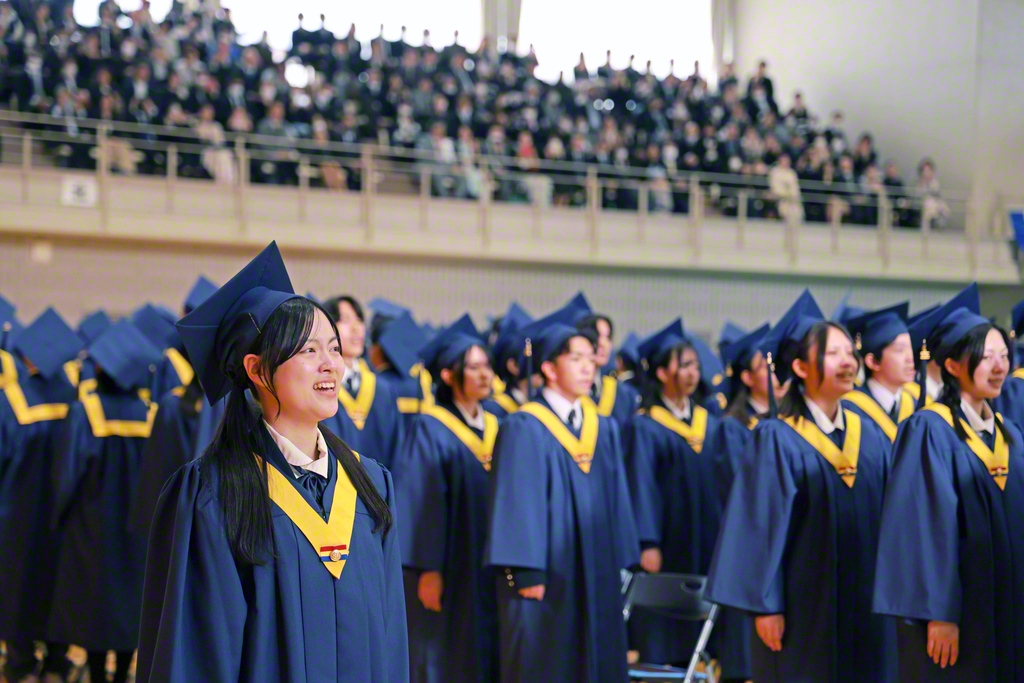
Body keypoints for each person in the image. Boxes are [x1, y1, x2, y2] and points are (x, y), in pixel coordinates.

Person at [135, 242, 408, 682]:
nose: (330, 366)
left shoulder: (370, 482)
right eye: (308, 351)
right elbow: (199, 655)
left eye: (334, 348)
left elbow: (392, 639)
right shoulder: (213, 493)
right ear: (259, 371)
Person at [706, 289, 898, 682]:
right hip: (801, 606)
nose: (847, 361)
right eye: (832, 353)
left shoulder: (872, 436)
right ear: (800, 367)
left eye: (849, 351)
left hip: (868, 605)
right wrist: (766, 605)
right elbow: (758, 529)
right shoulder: (777, 438)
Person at [873, 283, 1024, 681]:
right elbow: (921, 530)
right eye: (985, 356)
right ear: (953, 366)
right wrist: (937, 613)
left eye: (1003, 356)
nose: (999, 366)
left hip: (1010, 605)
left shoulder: (1011, 434)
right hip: (961, 614)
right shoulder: (928, 429)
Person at [485, 309, 639, 683]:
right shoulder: (525, 424)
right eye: (576, 359)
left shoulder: (602, 426)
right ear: (550, 369)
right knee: (548, 658)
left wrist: (621, 556)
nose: (588, 367)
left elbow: (617, 497)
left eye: (591, 358)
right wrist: (526, 570)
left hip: (598, 567)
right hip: (547, 574)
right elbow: (516, 502)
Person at [623, 319, 751, 680]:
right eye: (684, 365)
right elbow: (641, 485)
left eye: (695, 364)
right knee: (669, 631)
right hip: (669, 540)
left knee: (713, 622)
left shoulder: (711, 422)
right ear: (662, 372)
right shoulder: (645, 426)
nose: (693, 373)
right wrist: (647, 541)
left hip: (711, 537)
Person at [48, 320, 163, 683]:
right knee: (130, 605)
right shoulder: (151, 413)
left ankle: (97, 675)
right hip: (140, 527)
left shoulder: (86, 412)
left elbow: (67, 474)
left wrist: (58, 515)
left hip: (92, 526)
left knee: (95, 605)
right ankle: (121, 675)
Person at [394, 314, 500, 683]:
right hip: (448, 561)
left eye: (487, 365)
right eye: (474, 367)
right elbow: (420, 503)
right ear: (449, 375)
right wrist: (427, 570)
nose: (485, 374)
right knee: (445, 648)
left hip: (488, 560)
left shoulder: (499, 426)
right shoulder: (430, 427)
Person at [0, 309, 83, 683]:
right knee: (58, 583)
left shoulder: (11, 400)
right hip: (64, 511)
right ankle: (56, 659)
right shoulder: (77, 398)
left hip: (17, 510)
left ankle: (19, 661)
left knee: (18, 584)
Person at [321, 294, 404, 469]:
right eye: (345, 320)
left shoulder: (383, 390)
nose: (356, 328)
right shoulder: (319, 387)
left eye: (359, 320)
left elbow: (397, 455)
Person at [841, 303, 918, 441]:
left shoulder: (917, 406)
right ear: (873, 362)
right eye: (900, 350)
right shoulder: (848, 408)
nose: (910, 358)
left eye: (910, 349)